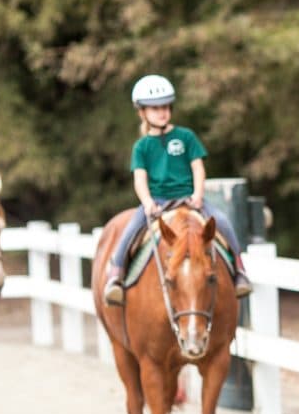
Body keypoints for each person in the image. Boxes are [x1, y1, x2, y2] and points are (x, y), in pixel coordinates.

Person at [103, 74, 251, 306]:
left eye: (165, 107)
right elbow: (140, 179)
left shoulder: (186, 137)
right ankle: (116, 274)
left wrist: (198, 195)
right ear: (142, 112)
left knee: (221, 221)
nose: (161, 112)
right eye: (154, 108)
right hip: (158, 201)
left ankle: (239, 270)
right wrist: (148, 202)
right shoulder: (141, 146)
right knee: (131, 229)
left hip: (188, 199)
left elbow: (197, 168)